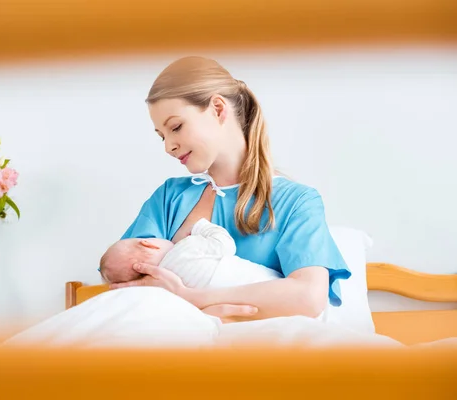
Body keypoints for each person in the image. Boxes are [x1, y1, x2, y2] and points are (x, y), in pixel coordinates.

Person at [110, 56, 351, 322]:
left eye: (176, 127)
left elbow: (308, 297)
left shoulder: (295, 201)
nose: (169, 146)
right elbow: (123, 278)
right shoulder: (169, 197)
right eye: (162, 136)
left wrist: (193, 300)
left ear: (217, 108)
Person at [99, 218, 282, 289]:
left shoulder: (163, 287)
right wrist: (201, 227)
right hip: (262, 282)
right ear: (149, 244)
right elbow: (226, 245)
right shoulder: (187, 247)